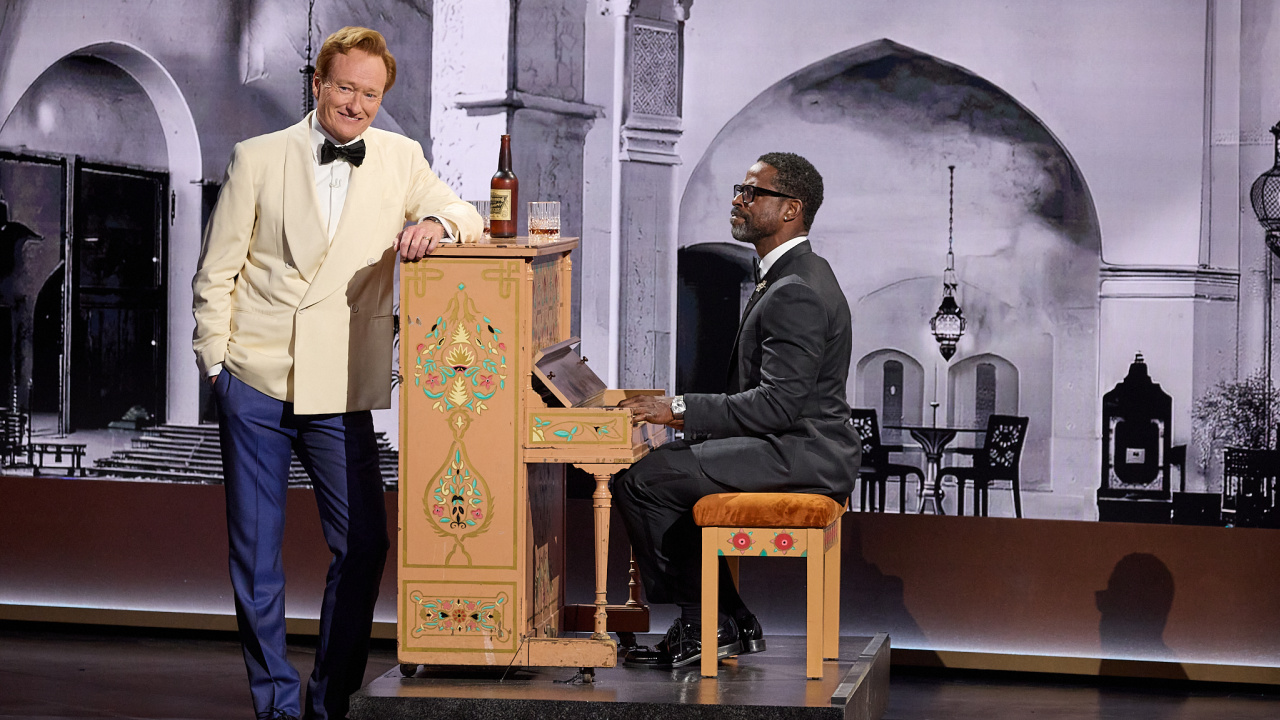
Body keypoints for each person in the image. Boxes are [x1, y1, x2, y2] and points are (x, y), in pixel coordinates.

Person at [191, 26, 481, 720]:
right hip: (256, 380)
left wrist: (436, 226)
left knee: (365, 542)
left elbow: (465, 212)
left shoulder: (400, 157)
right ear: (318, 85)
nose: (355, 104)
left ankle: (331, 702)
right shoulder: (258, 157)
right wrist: (217, 368)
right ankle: (276, 706)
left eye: (370, 94)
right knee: (256, 561)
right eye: (345, 87)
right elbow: (217, 272)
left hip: (339, 385)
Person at [615, 152, 859, 669]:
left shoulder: (796, 290)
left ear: (791, 209)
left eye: (752, 193)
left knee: (643, 481)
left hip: (801, 453)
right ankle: (729, 622)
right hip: (793, 443)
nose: (737, 200)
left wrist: (675, 409)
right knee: (670, 470)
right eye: (738, 190)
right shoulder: (794, 272)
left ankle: (705, 624)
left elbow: (778, 404)